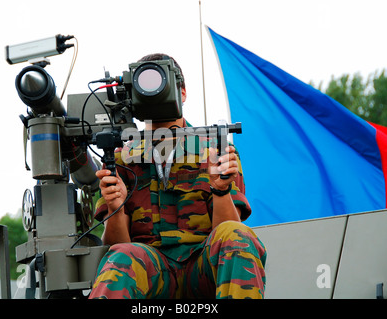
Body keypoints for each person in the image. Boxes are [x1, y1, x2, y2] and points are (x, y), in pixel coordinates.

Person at [89, 53, 266, 299]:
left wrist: (221, 191)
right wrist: (115, 207)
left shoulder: (214, 150)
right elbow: (116, 244)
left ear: (182, 92)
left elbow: (227, 231)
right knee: (121, 256)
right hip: (152, 271)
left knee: (238, 237)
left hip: (203, 268)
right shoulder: (121, 157)